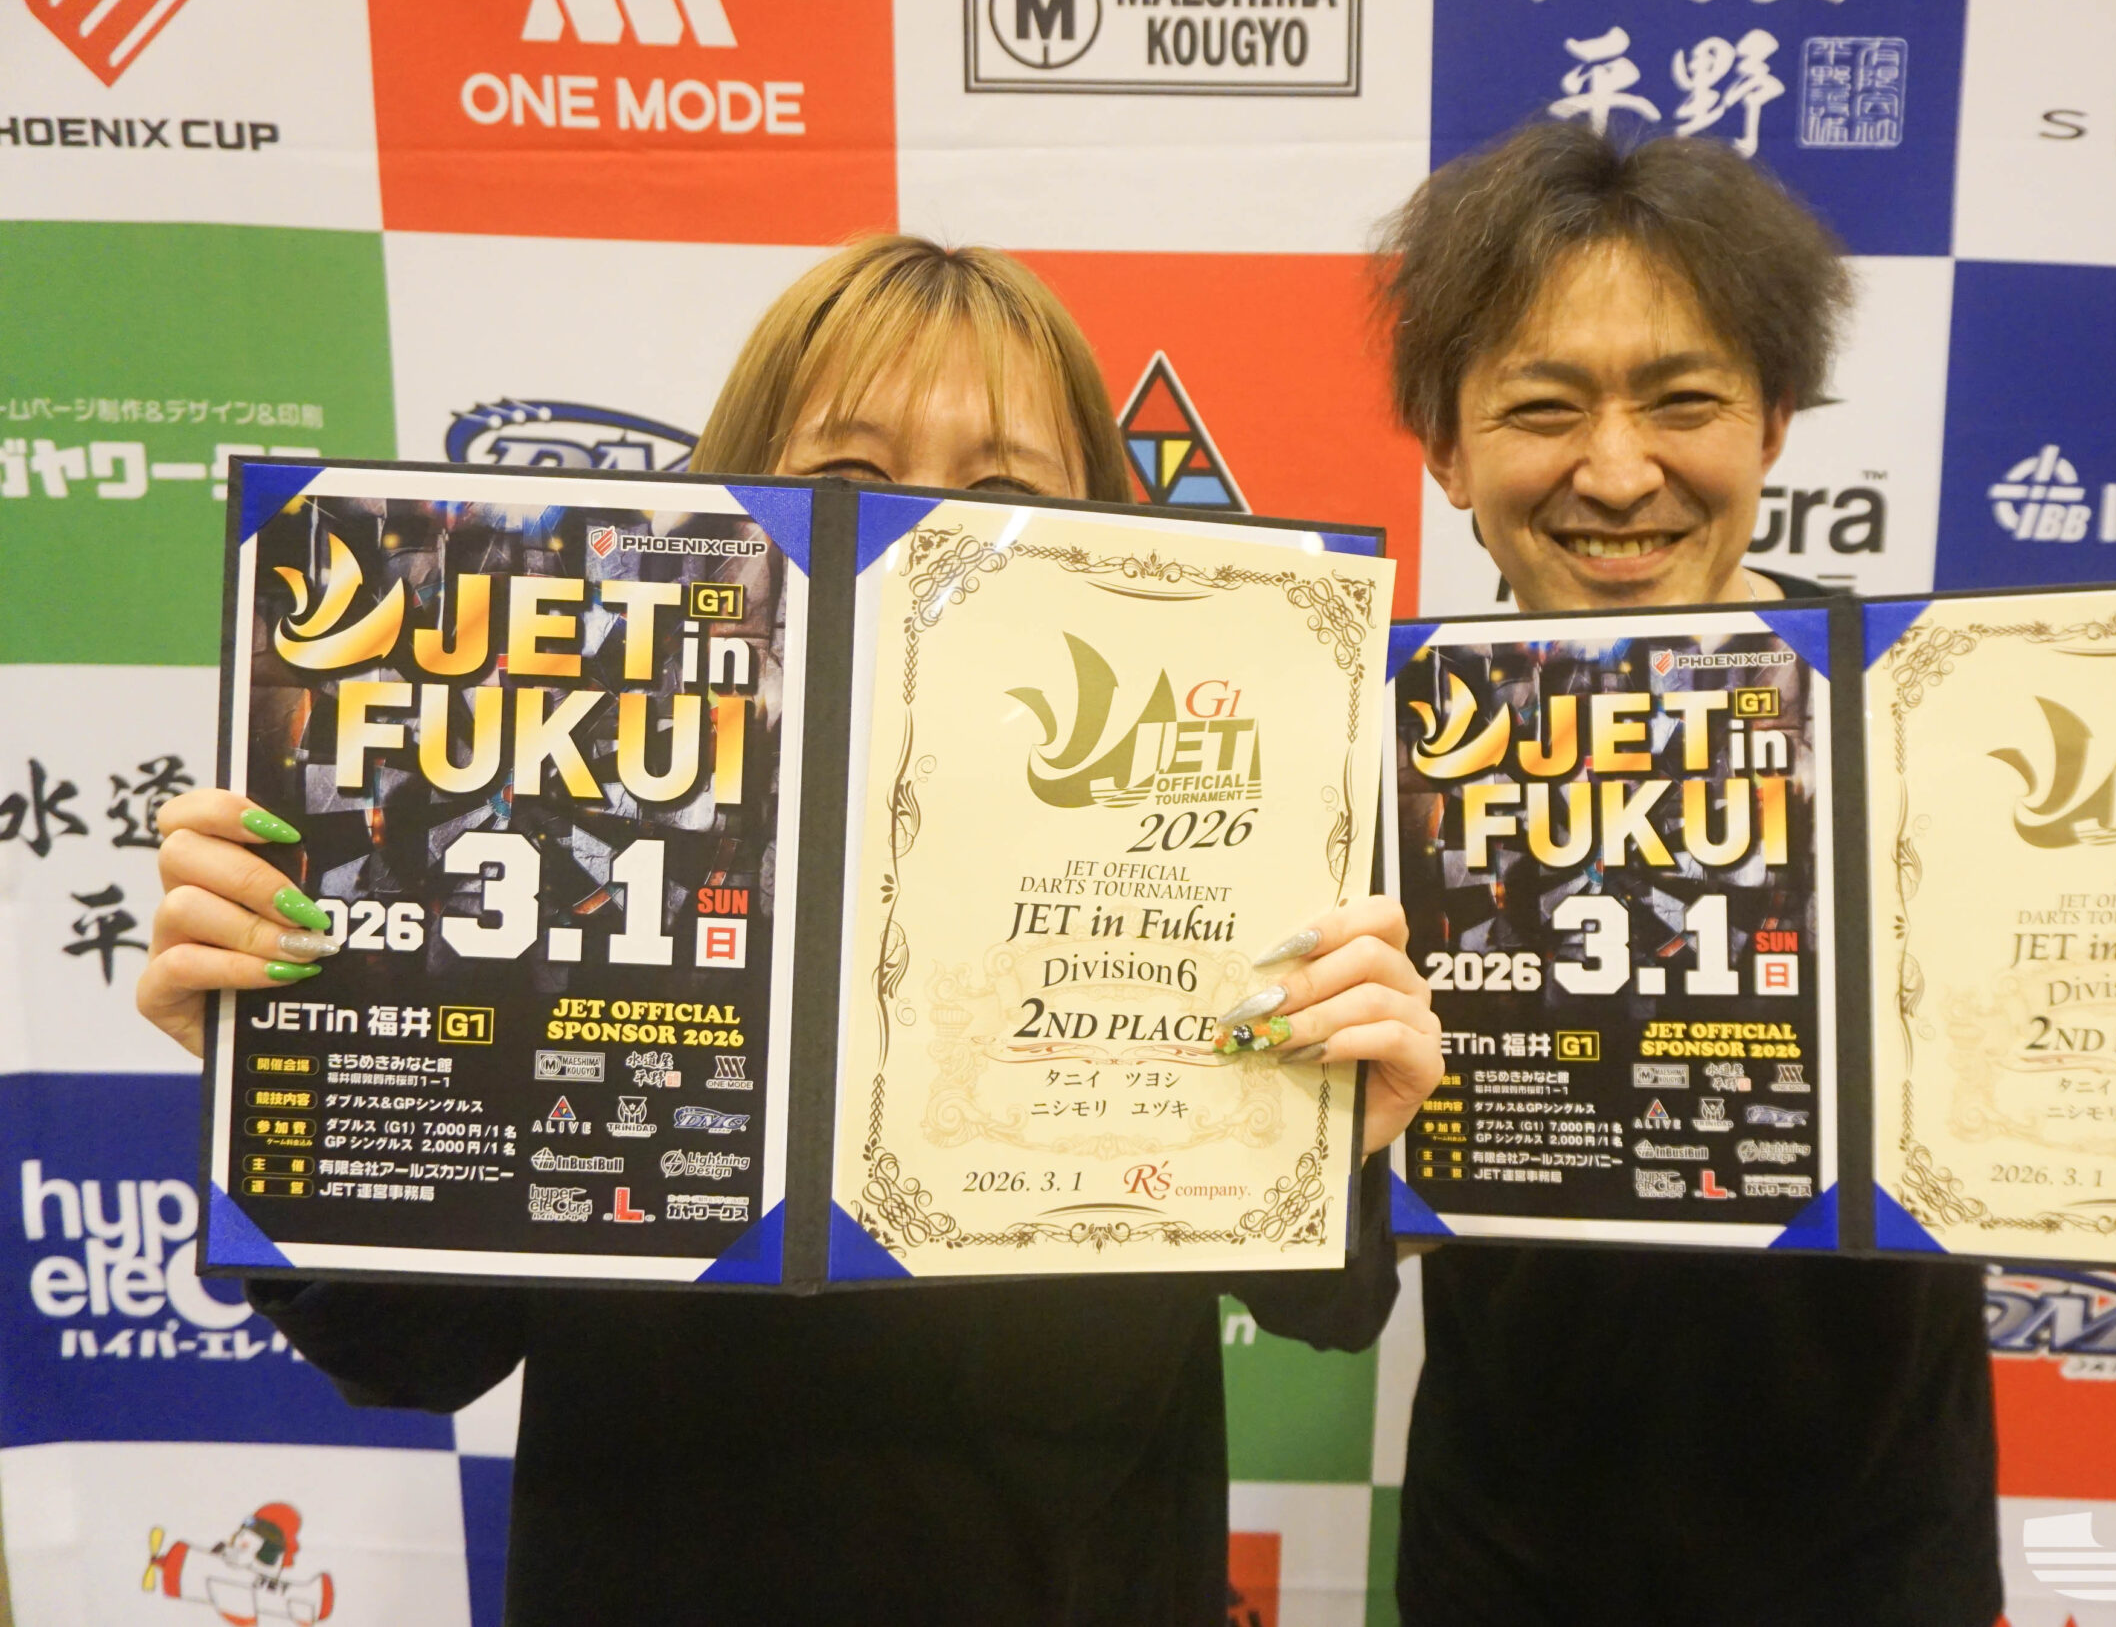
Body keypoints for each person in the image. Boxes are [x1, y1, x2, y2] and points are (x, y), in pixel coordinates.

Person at [134, 234, 1443, 1627]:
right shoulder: (563, 821)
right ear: (738, 501)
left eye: (1005, 489)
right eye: (849, 479)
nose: (928, 532)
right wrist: (287, 1048)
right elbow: (412, 1356)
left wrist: (1338, 1138)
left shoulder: (1219, 805)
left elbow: (1325, 1309)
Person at [1374, 121, 2116, 1626]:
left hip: (1878, 1557)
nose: (1618, 469)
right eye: (1542, 408)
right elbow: (1317, 1286)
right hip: (1509, 1558)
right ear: (1448, 447)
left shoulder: (1942, 717)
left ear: (1772, 425)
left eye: (1684, 401)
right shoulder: (1370, 752)